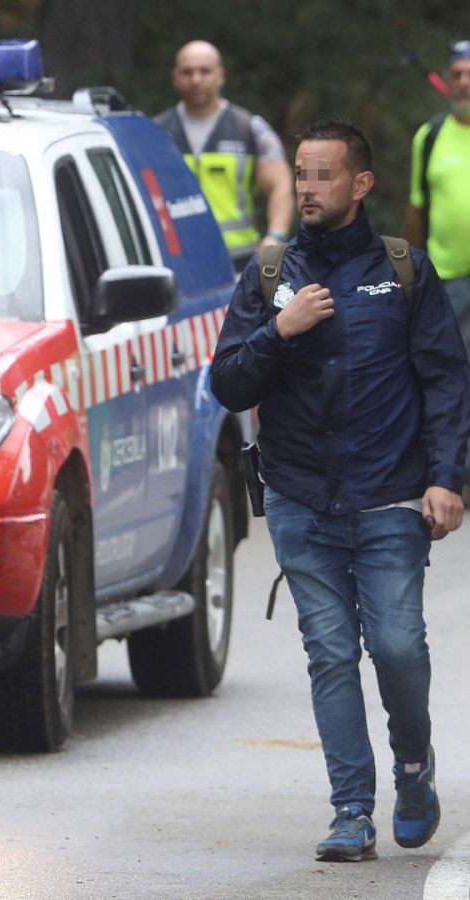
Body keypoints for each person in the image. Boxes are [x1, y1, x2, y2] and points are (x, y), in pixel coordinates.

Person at [211, 119, 470, 862]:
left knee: (397, 646)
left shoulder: (405, 270)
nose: (307, 187)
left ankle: (413, 767)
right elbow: (227, 385)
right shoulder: (269, 275)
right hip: (299, 498)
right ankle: (351, 810)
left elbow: (445, 382)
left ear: (360, 184)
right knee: (329, 654)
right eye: (300, 173)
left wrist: (446, 478)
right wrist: (280, 330)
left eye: (323, 175)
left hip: (391, 495)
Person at [155, 40, 295, 268]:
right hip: (176, 260)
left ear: (220, 76)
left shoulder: (250, 128)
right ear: (175, 77)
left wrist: (275, 236)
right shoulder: (156, 133)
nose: (196, 79)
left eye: (205, 71)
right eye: (187, 72)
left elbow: (280, 186)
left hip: (238, 261)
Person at [406, 41, 470, 357]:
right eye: (456, 75)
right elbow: (416, 207)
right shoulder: (429, 136)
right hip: (447, 277)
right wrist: (412, 273)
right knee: (451, 362)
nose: (464, 83)